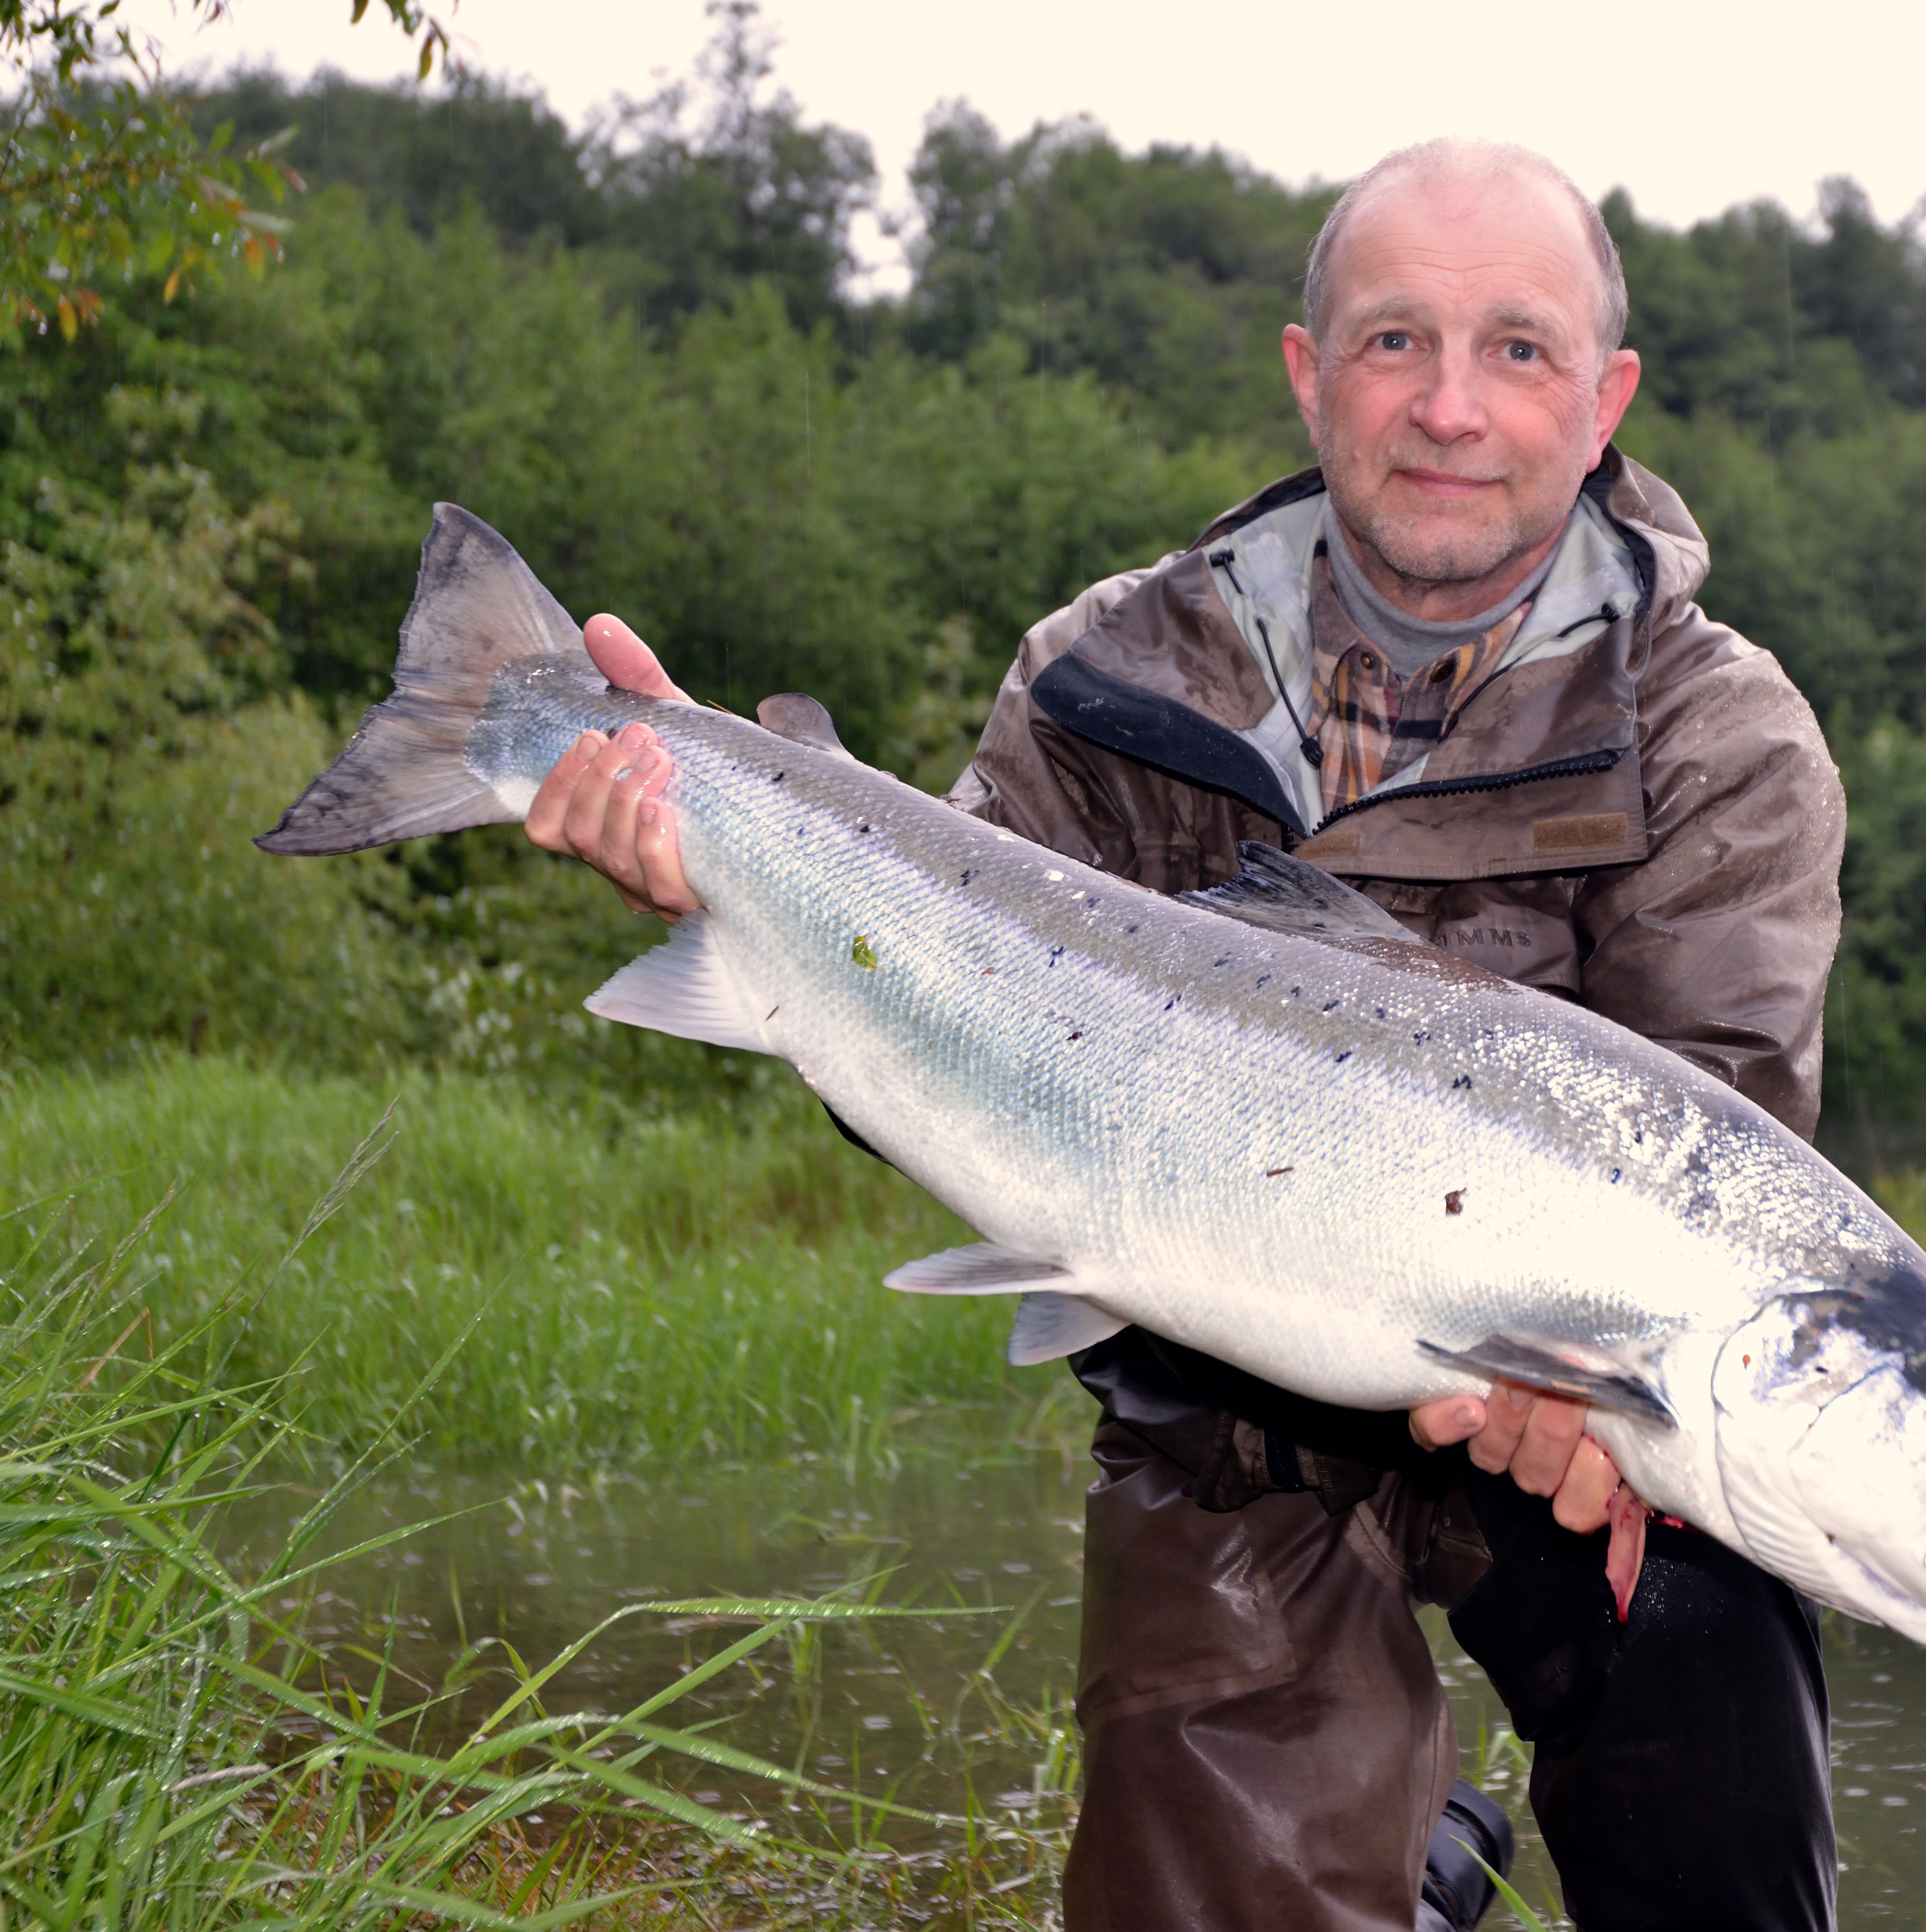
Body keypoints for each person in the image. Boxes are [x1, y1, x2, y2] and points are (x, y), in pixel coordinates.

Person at [526, 137, 1847, 1932]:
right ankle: (1412, 1846)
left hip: (1580, 1427)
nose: (1452, 406)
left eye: (1519, 351)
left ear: (1605, 403)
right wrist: (734, 882)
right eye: (1395, 343)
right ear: (1309, 377)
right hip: (1227, 1408)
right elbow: (950, 1081)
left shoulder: (1720, 735)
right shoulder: (1107, 676)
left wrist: (1604, 1404)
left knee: (1714, 1744)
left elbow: (1729, 1154)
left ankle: (1461, 1824)